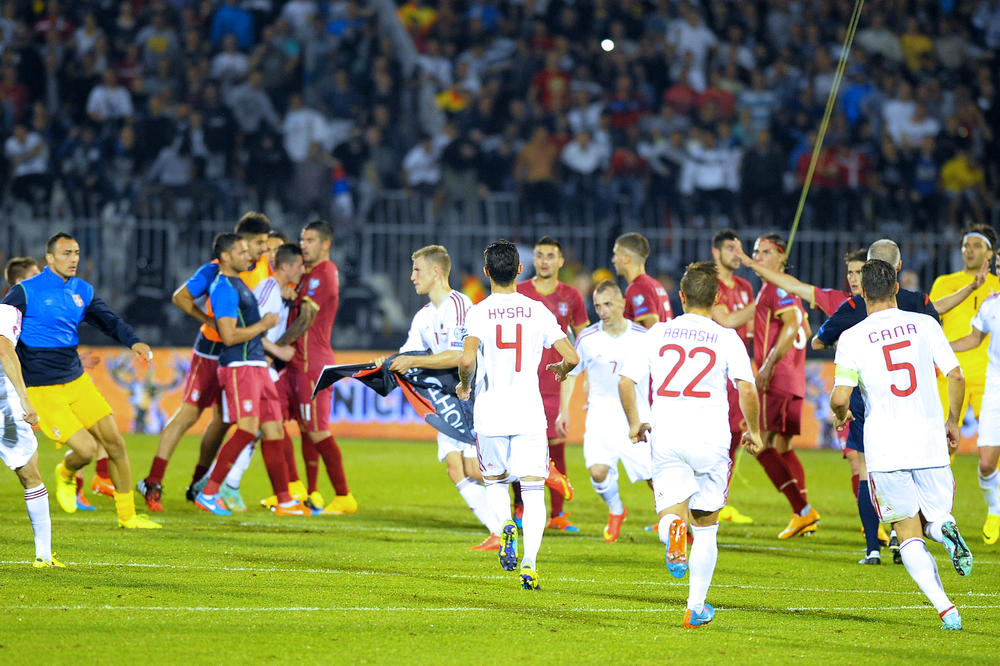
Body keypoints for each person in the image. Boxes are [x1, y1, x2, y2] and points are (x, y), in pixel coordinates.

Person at [619, 261, 763, 628]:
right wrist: (754, 430)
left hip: (667, 435)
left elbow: (626, 381)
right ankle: (695, 607)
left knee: (671, 513)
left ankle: (672, 533)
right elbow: (747, 388)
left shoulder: (657, 333)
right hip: (712, 439)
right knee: (706, 525)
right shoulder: (727, 337)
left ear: (679, 296)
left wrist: (636, 423)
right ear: (717, 298)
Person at [831, 259, 972, 630]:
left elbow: (840, 395)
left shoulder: (853, 338)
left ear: (862, 293)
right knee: (936, 517)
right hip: (928, 439)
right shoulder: (925, 324)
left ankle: (947, 610)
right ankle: (945, 529)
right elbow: (956, 375)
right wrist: (953, 420)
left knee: (907, 533)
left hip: (885, 447)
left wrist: (839, 413)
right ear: (896, 287)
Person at [1, 233, 160, 529]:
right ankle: (66, 472)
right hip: (43, 390)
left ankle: (128, 517)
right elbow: (5, 335)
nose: (73, 258)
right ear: (49, 259)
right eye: (66, 253)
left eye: (76, 252)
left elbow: (109, 320)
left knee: (115, 443)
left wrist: (134, 342)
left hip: (77, 381)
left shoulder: (82, 290)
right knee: (86, 450)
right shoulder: (23, 292)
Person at [457, 239, 579, 590]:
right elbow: (571, 355)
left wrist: (465, 385)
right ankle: (530, 564)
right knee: (534, 490)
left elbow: (467, 359)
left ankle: (505, 525)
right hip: (529, 412)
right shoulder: (537, 310)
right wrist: (560, 369)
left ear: (486, 273)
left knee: (495, 481)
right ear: (520, 270)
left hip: (491, 411)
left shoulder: (478, 311)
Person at [815, 239, 942, 563]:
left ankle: (873, 546)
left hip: (869, 404)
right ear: (897, 270)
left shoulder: (856, 307)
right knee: (913, 472)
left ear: (870, 270)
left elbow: (818, 341)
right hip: (917, 404)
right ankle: (910, 539)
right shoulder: (921, 303)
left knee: (867, 471)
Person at [138, 212, 273, 511]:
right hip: (211, 351)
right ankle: (154, 479)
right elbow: (181, 297)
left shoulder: (262, 266)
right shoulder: (215, 271)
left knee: (224, 421)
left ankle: (198, 483)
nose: (263, 248)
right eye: (259, 242)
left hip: (239, 356)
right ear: (242, 243)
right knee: (189, 415)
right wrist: (208, 319)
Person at [376, 245, 502, 548]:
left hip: (470, 393)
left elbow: (461, 355)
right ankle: (498, 532)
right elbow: (409, 353)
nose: (411, 277)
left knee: (473, 468)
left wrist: (413, 361)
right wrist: (385, 363)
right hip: (447, 395)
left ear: (435, 271)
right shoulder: (423, 316)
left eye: (417, 270)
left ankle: (533, 474)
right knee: (455, 469)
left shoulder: (459, 304)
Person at [193, 233, 307, 517]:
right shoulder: (223, 288)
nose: (251, 256)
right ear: (227, 257)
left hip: (256, 365)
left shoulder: (239, 285)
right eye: (242, 252)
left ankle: (284, 500)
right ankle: (209, 491)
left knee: (274, 430)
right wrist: (265, 325)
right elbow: (229, 336)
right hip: (239, 365)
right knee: (246, 428)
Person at [4, 256, 106, 511]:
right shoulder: (14, 315)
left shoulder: (34, 313)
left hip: (50, 385)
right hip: (34, 394)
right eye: (36, 276)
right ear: (20, 282)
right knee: (82, 446)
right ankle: (74, 480)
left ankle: (83, 484)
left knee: (98, 430)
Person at [277, 220, 355, 514]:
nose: (304, 245)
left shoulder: (325, 273)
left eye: (310, 240)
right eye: (302, 239)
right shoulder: (306, 274)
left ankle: (344, 496)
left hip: (312, 365)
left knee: (317, 431)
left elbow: (305, 319)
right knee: (278, 421)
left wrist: (274, 348)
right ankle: (305, 491)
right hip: (294, 363)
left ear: (326, 244)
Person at [570, 280, 653, 542]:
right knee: (597, 472)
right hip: (600, 416)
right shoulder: (588, 338)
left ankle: (678, 524)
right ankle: (617, 510)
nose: (602, 310)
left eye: (607, 304)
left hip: (637, 416)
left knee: (656, 478)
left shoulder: (643, 336)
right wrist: (564, 412)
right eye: (597, 306)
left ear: (621, 303)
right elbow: (572, 373)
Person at [516, 236, 587, 531]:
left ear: (561, 261)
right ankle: (519, 508)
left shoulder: (571, 296)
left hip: (556, 382)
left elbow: (583, 338)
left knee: (556, 446)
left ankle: (558, 514)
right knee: (520, 448)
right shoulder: (519, 293)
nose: (544, 261)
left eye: (550, 256)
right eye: (540, 255)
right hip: (523, 384)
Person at [750, 234, 818, 539]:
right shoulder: (789, 289)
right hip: (794, 376)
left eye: (766, 252)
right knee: (782, 446)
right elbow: (804, 327)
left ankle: (803, 510)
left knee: (757, 443)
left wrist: (767, 364)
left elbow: (792, 324)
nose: (759, 257)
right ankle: (803, 515)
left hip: (777, 377)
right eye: (756, 252)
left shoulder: (776, 285)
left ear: (781, 257)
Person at [0, 299, 64, 567]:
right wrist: (26, 400)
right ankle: (43, 556)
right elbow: (4, 350)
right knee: (30, 475)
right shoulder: (9, 311)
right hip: (5, 407)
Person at [929, 225, 1000, 441]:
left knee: (995, 446)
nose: (969, 250)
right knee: (942, 444)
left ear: (990, 253)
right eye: (966, 246)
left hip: (988, 376)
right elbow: (930, 323)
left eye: (977, 246)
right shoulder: (944, 283)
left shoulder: (997, 285)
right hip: (950, 372)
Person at [708, 229, 756, 525]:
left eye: (740, 249)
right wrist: (765, 301)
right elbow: (725, 320)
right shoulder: (709, 285)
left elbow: (748, 330)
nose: (736, 254)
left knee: (734, 438)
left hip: (736, 371)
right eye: (730, 248)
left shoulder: (744, 287)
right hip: (713, 372)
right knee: (714, 438)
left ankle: (720, 501)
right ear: (716, 252)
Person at [949, 289, 1000, 545]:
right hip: (995, 388)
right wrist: (942, 347)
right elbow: (974, 338)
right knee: (987, 463)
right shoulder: (991, 305)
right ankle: (995, 510)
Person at [612, 232, 673, 329]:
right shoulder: (656, 285)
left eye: (616, 254)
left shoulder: (638, 287)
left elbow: (652, 330)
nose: (613, 260)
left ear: (626, 258)